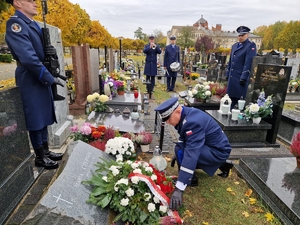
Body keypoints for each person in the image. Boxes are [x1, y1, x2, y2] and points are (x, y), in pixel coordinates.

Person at [5, 0, 63, 169]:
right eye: (30, 0)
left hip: (39, 75)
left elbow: (39, 51)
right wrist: (48, 77)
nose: (35, 3)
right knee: (35, 117)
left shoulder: (32, 24)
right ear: (18, 3)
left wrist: (49, 52)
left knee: (43, 114)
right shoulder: (16, 24)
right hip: (31, 77)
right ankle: (39, 156)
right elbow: (28, 58)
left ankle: (45, 150)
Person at [155, 97, 233, 210]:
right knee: (179, 149)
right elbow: (184, 138)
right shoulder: (187, 114)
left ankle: (191, 179)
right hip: (212, 146)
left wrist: (179, 189)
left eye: (168, 118)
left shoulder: (192, 122)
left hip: (218, 151)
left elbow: (192, 153)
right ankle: (223, 164)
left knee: (186, 152)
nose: (167, 122)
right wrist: (178, 154)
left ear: (177, 111)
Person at [226, 26, 257, 109]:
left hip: (240, 78)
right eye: (239, 35)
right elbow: (231, 61)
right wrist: (227, 73)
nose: (240, 37)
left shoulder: (250, 46)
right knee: (230, 100)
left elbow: (248, 62)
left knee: (239, 102)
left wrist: (244, 77)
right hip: (232, 78)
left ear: (248, 35)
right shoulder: (235, 46)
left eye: (242, 35)